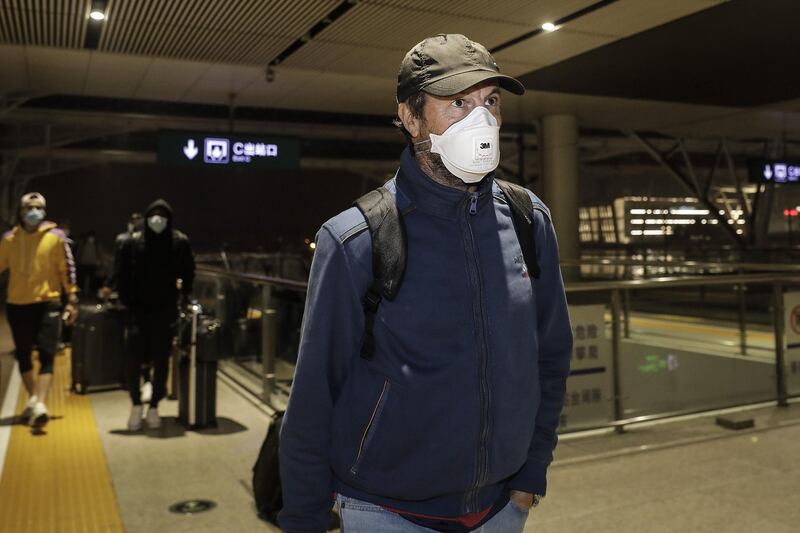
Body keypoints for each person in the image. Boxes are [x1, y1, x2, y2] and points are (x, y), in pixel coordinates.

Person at [279, 34, 573, 533]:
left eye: (490, 102)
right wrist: (304, 519)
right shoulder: (356, 238)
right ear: (411, 119)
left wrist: (532, 468)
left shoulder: (528, 220)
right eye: (457, 103)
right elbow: (312, 396)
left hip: (502, 506)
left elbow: (550, 353)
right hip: (386, 509)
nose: (481, 119)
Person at [0, 192, 79, 427]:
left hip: (48, 303)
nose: (34, 211)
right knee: (23, 354)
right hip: (17, 304)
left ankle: (40, 402)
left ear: (44, 210)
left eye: (38, 207)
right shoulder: (9, 239)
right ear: (21, 211)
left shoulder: (56, 237)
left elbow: (67, 268)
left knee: (47, 353)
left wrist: (72, 297)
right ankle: (34, 400)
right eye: (29, 207)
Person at [116, 199, 194, 430]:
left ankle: (154, 407)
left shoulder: (179, 242)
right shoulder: (132, 243)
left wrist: (184, 295)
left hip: (165, 311)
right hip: (137, 311)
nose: (157, 219)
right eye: (153, 215)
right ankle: (136, 404)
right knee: (133, 359)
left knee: (162, 360)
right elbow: (121, 274)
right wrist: (126, 301)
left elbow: (189, 270)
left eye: (162, 215)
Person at [101, 212, 153, 402]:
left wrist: (108, 285)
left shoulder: (127, 240)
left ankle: (138, 378)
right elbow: (118, 266)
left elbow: (117, 267)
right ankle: (141, 378)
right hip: (135, 297)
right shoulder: (127, 241)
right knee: (138, 338)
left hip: (137, 297)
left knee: (136, 338)